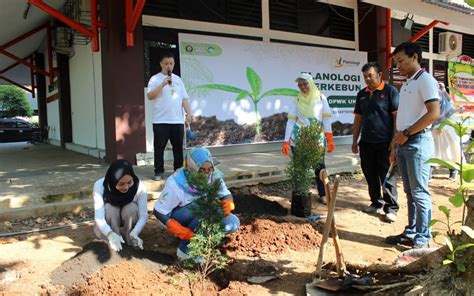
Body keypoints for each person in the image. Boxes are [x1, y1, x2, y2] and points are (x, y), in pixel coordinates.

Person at [387, 42, 440, 249]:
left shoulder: (425, 80)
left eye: (400, 60)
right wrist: (395, 143)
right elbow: (403, 116)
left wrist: (407, 133)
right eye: (396, 61)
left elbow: (434, 113)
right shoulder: (408, 82)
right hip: (403, 142)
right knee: (410, 192)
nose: (397, 65)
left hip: (417, 141)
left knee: (419, 192)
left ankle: (423, 237)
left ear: (415, 56)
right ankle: (412, 231)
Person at [153, 147, 240, 260]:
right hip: (177, 217)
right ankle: (185, 250)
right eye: (201, 170)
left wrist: (228, 202)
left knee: (232, 222)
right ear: (191, 168)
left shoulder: (213, 175)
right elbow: (158, 211)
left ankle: (202, 240)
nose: (206, 174)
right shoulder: (176, 183)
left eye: (209, 169)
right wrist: (179, 230)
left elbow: (225, 194)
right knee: (205, 205)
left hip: (201, 212)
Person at [352, 62, 399, 222]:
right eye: (365, 76)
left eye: (370, 75)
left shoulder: (390, 91)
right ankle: (376, 203)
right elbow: (358, 118)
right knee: (370, 175)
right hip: (366, 143)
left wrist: (394, 141)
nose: (367, 79)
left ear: (379, 75)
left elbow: (396, 118)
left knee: (387, 176)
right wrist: (354, 140)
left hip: (385, 143)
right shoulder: (362, 94)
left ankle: (391, 208)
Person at [282, 72, 335, 205]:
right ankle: (300, 194)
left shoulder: (321, 98)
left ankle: (323, 194)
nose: (303, 86)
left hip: (316, 139)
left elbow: (326, 120)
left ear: (311, 83)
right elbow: (291, 121)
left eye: (305, 83)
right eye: (300, 85)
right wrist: (286, 140)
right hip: (298, 139)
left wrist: (329, 139)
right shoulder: (298, 99)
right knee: (299, 168)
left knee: (320, 168)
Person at [147, 52, 193, 181]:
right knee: (159, 147)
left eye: (171, 63)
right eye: (166, 63)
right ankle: (159, 172)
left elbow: (184, 98)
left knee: (178, 147)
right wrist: (162, 84)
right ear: (161, 64)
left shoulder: (178, 80)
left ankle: (178, 171)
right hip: (160, 120)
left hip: (177, 120)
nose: (169, 66)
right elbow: (150, 96)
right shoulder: (155, 79)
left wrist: (189, 113)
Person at [93, 160, 148, 252]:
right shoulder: (100, 186)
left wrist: (135, 232)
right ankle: (113, 240)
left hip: (127, 216)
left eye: (129, 182)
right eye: (121, 184)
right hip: (111, 219)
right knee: (110, 208)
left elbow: (144, 215)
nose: (126, 187)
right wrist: (110, 234)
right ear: (113, 181)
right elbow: (99, 217)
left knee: (131, 208)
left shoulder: (140, 187)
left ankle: (130, 239)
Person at [430, 82, 463, 181]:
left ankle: (453, 170)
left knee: (450, 149)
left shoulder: (439, 95)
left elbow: (440, 110)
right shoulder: (433, 94)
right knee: (433, 149)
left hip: (447, 125)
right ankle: (429, 172)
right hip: (435, 125)